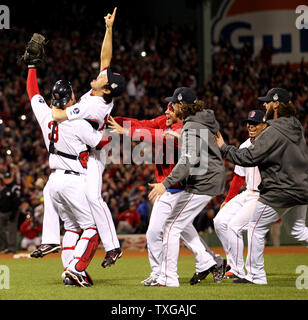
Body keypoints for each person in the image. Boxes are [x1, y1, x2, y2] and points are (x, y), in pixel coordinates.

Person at [32, 7, 125, 268]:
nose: (99, 74)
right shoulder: (99, 93)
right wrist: (109, 30)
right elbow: (105, 59)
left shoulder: (90, 106)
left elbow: (60, 116)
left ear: (106, 88)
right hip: (89, 147)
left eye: (102, 78)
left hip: (95, 152)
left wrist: (45, 107)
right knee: (74, 199)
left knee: (94, 199)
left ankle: (113, 247)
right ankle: (90, 246)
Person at [109, 101, 225, 286]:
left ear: (181, 111)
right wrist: (117, 121)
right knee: (164, 231)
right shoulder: (166, 121)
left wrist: (128, 132)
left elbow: (162, 137)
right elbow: (146, 124)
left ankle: (176, 271)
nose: (166, 112)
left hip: (183, 187)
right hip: (168, 189)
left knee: (172, 229)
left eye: (171, 109)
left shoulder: (185, 128)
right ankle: (205, 262)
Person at [25, 56, 109, 286]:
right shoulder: (78, 122)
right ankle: (76, 269)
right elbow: (101, 143)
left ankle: (66, 267)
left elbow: (33, 92)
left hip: (53, 183)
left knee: (72, 227)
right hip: (74, 180)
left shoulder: (46, 116)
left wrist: (32, 67)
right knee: (92, 228)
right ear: (71, 97)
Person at [216, 88, 308, 284]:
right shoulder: (296, 125)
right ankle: (252, 272)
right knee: (298, 230)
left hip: (282, 190)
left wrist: (224, 148)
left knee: (255, 227)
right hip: (302, 188)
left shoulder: (272, 130)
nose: (264, 105)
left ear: (276, 104)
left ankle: (256, 276)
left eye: (267, 102)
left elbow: (249, 156)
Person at [148, 87, 226, 287]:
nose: (171, 107)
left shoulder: (191, 124)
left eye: (174, 104)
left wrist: (164, 184)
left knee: (171, 226)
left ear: (181, 105)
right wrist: (180, 137)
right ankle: (207, 262)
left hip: (204, 181)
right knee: (176, 225)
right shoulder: (202, 118)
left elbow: (188, 161)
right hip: (210, 178)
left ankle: (168, 278)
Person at [213, 110, 267, 279]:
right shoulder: (244, 146)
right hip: (247, 192)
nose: (251, 126)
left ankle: (238, 269)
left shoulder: (270, 144)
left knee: (233, 226)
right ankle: (233, 263)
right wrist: (227, 200)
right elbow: (238, 177)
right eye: (249, 123)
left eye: (255, 123)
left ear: (264, 125)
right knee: (219, 221)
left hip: (261, 194)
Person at [0, 171, 21, 253]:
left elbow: (17, 202)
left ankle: (12, 249)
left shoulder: (15, 188)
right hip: (2, 212)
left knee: (12, 230)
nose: (7, 180)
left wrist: (14, 213)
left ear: (12, 178)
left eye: (9, 178)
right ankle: (3, 247)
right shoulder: (3, 189)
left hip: (12, 212)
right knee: (1, 230)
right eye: (6, 179)